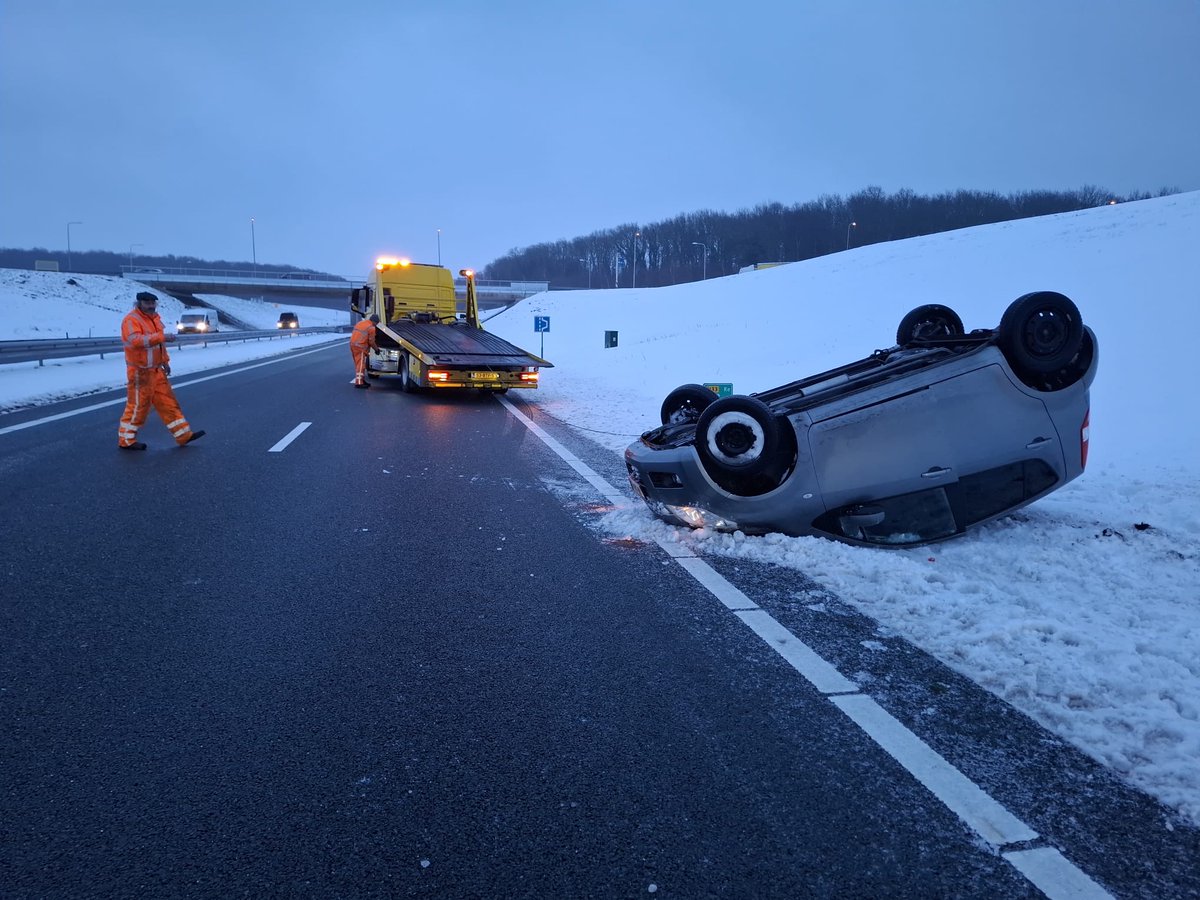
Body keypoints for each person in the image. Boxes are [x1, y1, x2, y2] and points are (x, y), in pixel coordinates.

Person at [117, 291, 205, 450]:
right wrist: (161, 337)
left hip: (157, 370)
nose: (150, 305)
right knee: (138, 406)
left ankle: (183, 435)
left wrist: (165, 361)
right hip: (140, 372)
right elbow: (136, 340)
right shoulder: (131, 320)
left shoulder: (155, 319)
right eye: (147, 302)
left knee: (168, 403)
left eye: (152, 302)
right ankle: (126, 440)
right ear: (139, 303)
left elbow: (159, 346)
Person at [350, 314, 380, 388]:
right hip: (360, 347)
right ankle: (359, 383)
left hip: (353, 345)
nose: (376, 325)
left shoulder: (361, 323)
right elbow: (371, 342)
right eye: (377, 323)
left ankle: (362, 380)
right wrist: (377, 349)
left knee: (358, 364)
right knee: (361, 365)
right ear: (374, 321)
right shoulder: (371, 328)